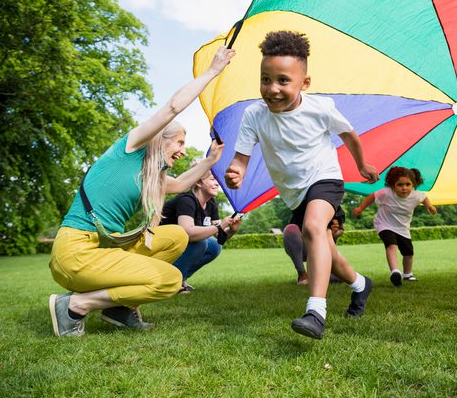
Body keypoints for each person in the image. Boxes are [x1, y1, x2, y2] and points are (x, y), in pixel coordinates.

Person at [48, 46, 235, 337]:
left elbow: (183, 184)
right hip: (76, 253)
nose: (183, 152)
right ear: (160, 140)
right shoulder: (130, 149)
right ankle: (75, 305)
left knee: (175, 236)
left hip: (104, 249)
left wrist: (211, 160)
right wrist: (212, 71)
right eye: (180, 144)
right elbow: (173, 106)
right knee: (170, 280)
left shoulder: (151, 176)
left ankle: (118, 308)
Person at [224, 31, 379, 340]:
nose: (273, 89)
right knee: (326, 250)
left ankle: (316, 312)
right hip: (294, 192)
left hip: (324, 178)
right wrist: (235, 171)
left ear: (304, 83)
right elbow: (240, 158)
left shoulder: (319, 108)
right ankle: (361, 285)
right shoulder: (254, 115)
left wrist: (361, 165)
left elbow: (349, 135)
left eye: (283, 81)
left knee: (313, 228)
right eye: (265, 79)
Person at [161, 164, 242, 293]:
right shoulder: (186, 200)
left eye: (218, 180)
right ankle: (170, 280)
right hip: (160, 245)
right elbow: (188, 232)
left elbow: (218, 237)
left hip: (179, 245)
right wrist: (220, 226)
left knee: (215, 247)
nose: (218, 184)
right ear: (198, 182)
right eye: (213, 179)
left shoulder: (210, 203)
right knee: (200, 242)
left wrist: (232, 229)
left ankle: (179, 279)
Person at [353, 167, 437, 286]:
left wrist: (429, 206)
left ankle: (407, 275)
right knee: (391, 245)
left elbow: (424, 198)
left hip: (403, 228)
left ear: (413, 184)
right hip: (384, 224)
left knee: (408, 253)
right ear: (392, 185)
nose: (404, 188)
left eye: (408, 184)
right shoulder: (386, 192)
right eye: (400, 185)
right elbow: (372, 196)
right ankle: (395, 272)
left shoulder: (416, 195)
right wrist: (361, 208)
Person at [283, 210, 345, 285]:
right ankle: (302, 274)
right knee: (290, 229)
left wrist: (334, 232)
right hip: (305, 246)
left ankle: (320, 273)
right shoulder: (301, 205)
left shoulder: (335, 207)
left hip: (323, 249)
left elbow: (341, 230)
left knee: (339, 277)